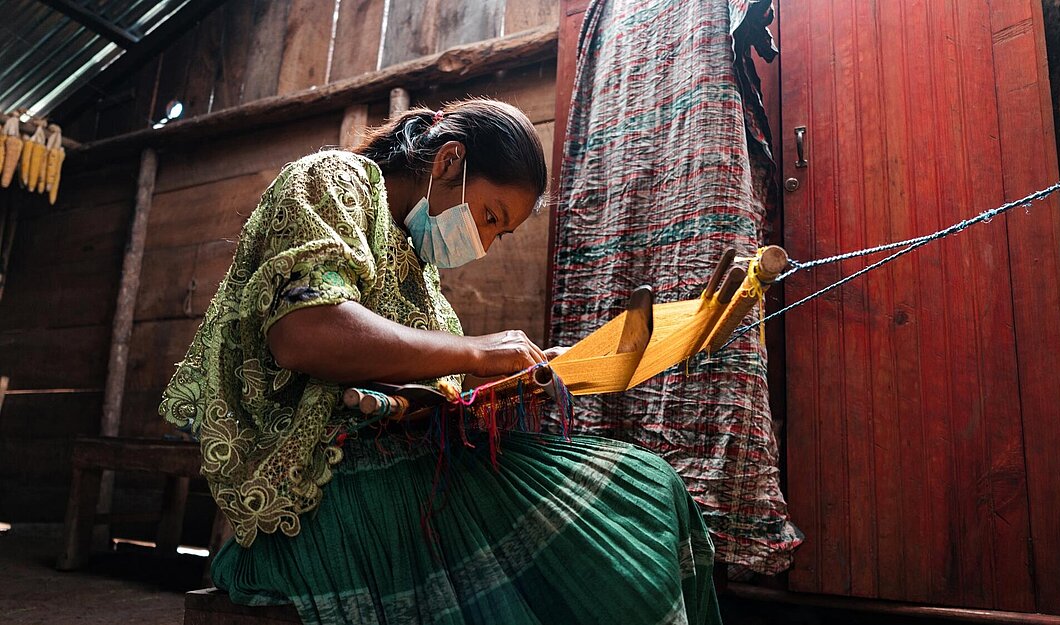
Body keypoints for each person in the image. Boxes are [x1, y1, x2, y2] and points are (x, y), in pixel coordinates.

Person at [160, 98, 722, 625]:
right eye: (491, 215)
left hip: (405, 461)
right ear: (450, 160)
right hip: (324, 482)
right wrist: (478, 349)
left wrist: (515, 376)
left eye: (500, 231)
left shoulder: (418, 268)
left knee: (651, 485)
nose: (486, 241)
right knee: (625, 524)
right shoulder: (332, 180)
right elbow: (305, 332)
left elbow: (428, 381)